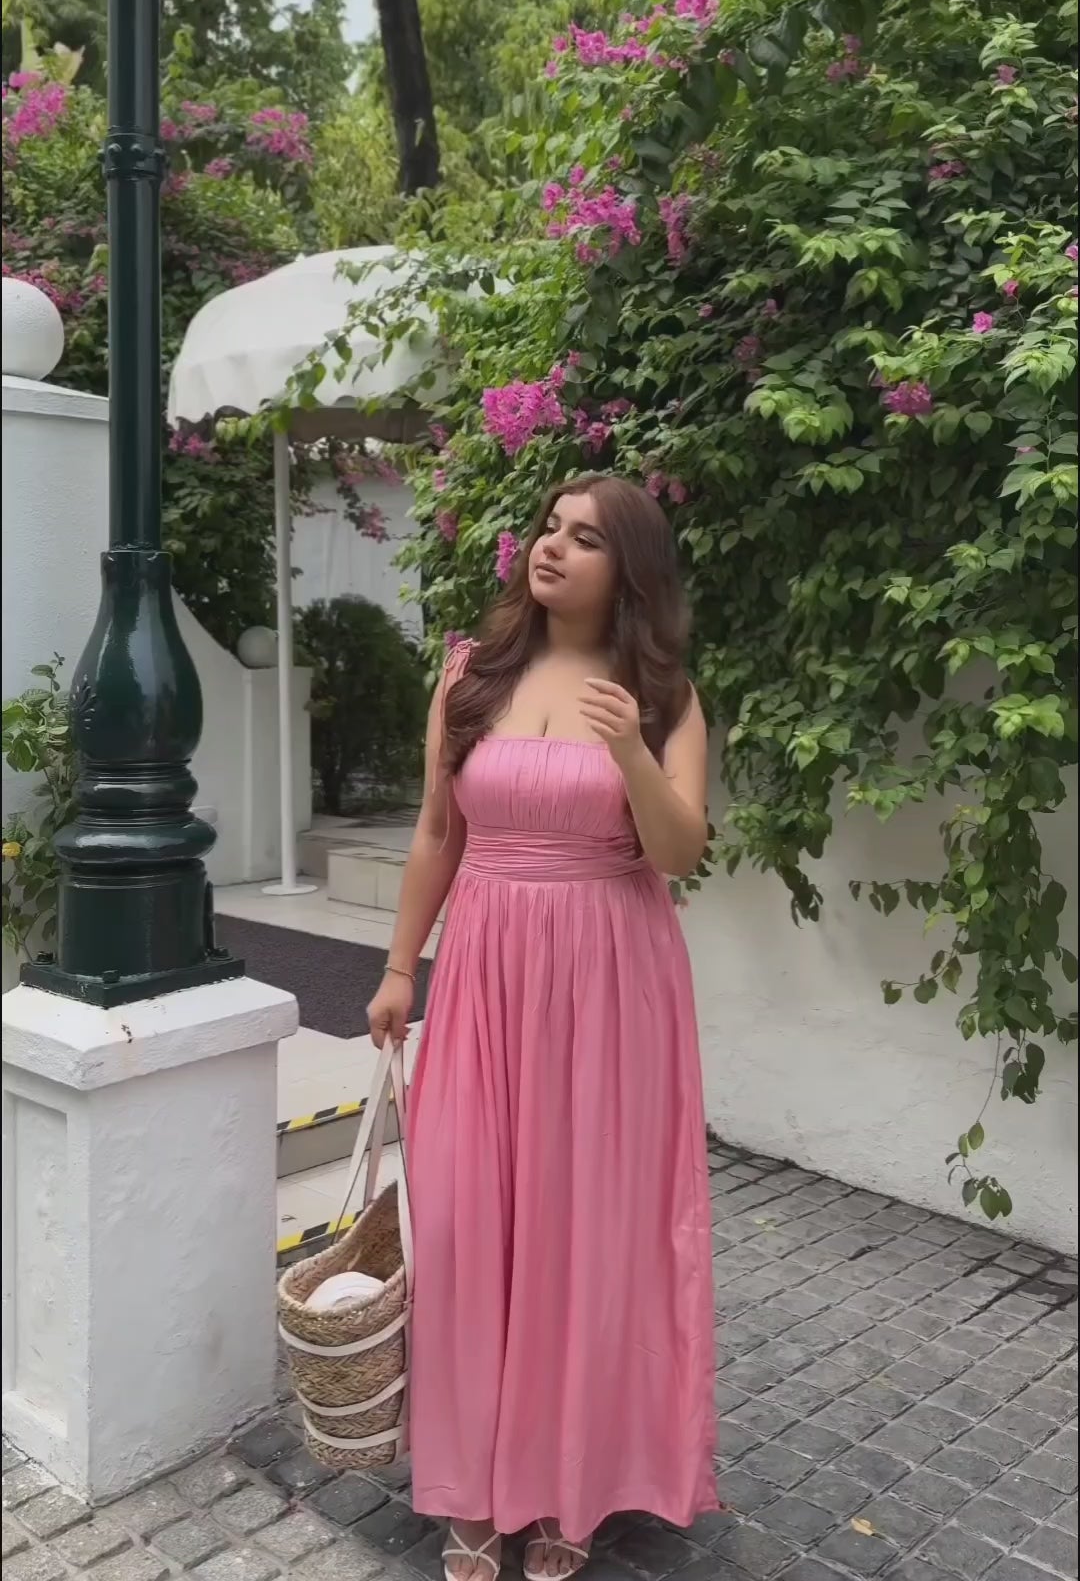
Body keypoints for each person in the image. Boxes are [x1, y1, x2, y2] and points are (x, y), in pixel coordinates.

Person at [367, 473, 717, 1581]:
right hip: (485, 975)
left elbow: (680, 853)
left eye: (586, 538)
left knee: (590, 1233)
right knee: (469, 1221)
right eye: (549, 528)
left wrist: (630, 751)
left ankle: (574, 1481)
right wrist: (398, 969)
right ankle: (475, 1483)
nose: (552, 548)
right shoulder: (472, 675)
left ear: (632, 572)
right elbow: (438, 832)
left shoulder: (662, 695)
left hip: (612, 984)